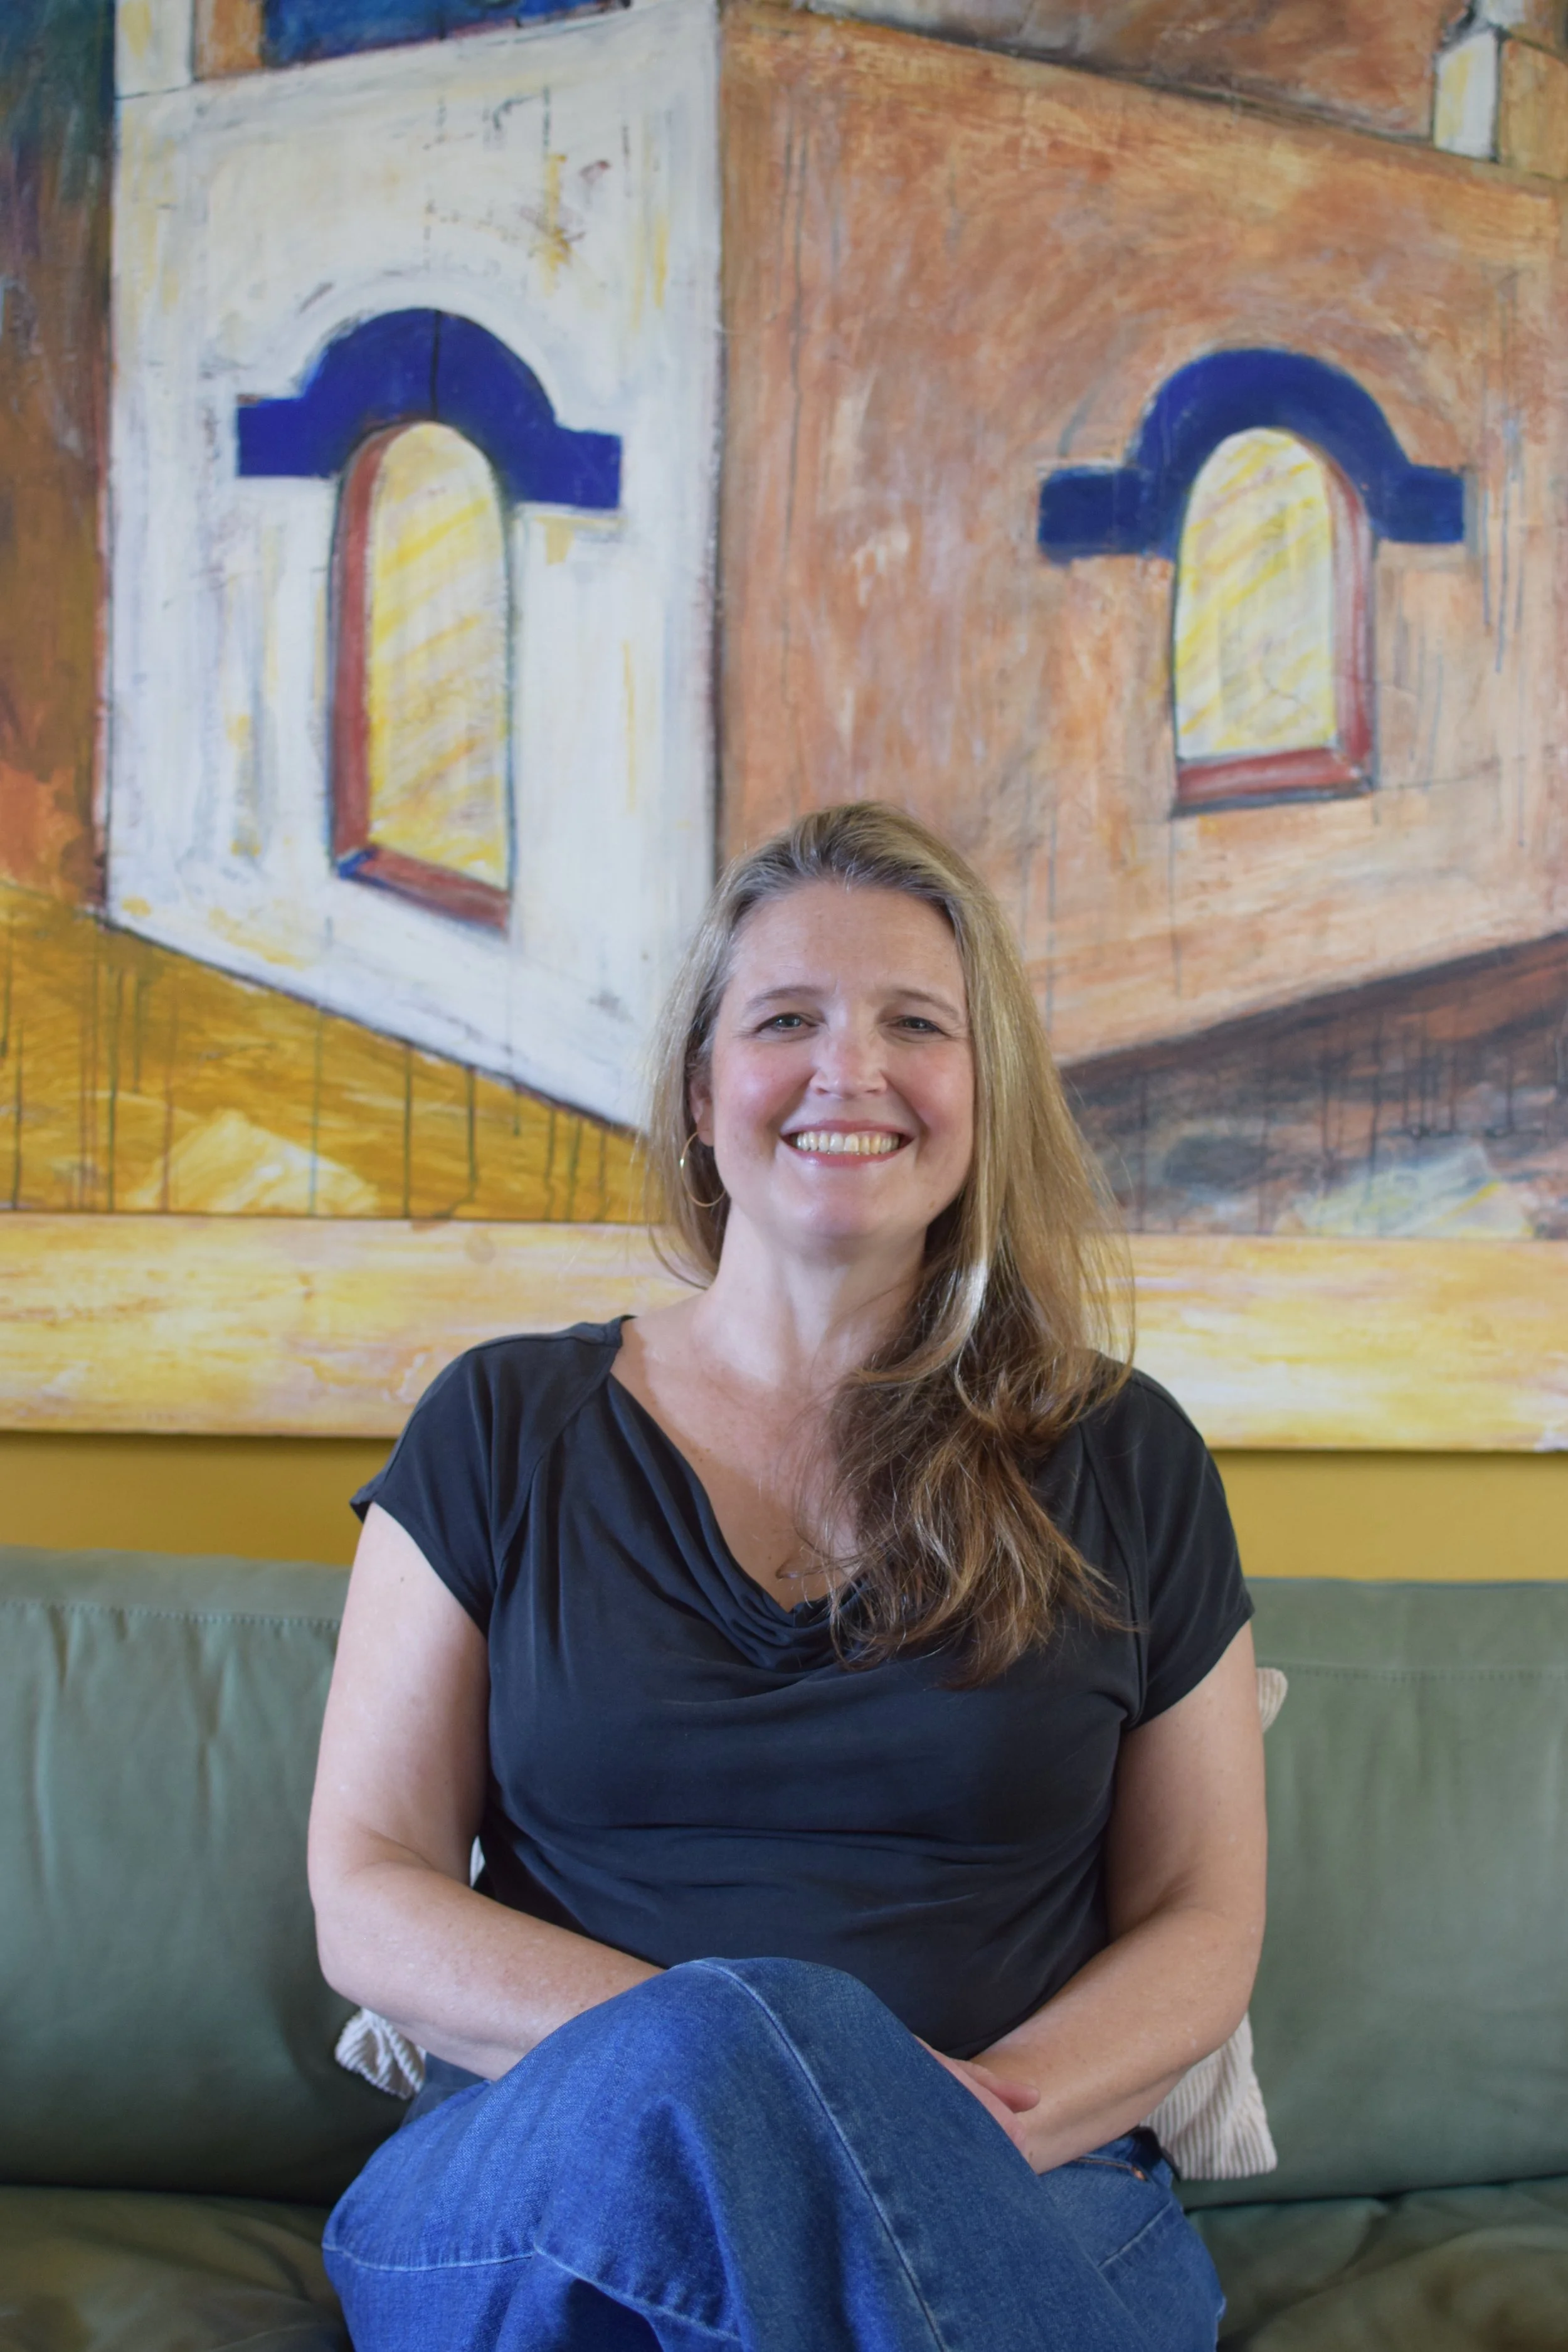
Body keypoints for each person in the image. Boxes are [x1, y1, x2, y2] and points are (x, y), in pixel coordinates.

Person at [309, 802, 1266, 2352]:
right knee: (730, 2032)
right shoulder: (498, 1427)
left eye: (913, 1024)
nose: (851, 1070)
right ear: (700, 1091)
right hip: (551, 2172)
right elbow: (368, 1891)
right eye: (785, 1020)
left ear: (983, 1093)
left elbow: (1199, 1919)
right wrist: (751, 2071)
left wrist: (921, 2129)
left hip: (1019, 2178)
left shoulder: (1127, 1455)